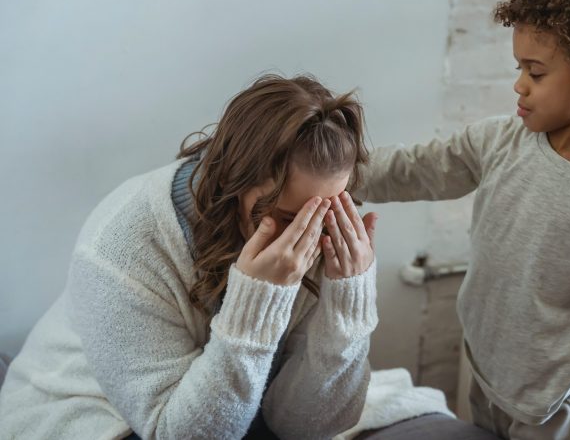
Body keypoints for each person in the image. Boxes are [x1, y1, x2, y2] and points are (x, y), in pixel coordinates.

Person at [352, 0, 570, 440]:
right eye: (519, 68)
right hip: (483, 369)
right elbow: (417, 168)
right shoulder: (501, 140)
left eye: (535, 72)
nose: (519, 85)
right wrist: (336, 174)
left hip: (550, 404)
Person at [0, 74, 379, 439]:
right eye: (287, 218)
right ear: (233, 181)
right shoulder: (120, 245)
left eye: (326, 214)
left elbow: (304, 428)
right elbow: (180, 434)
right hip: (89, 410)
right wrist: (256, 304)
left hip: (226, 412)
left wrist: (346, 309)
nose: (309, 236)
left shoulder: (322, 239)